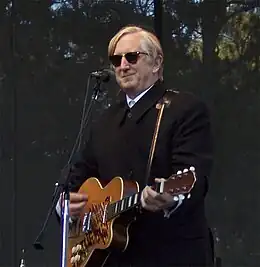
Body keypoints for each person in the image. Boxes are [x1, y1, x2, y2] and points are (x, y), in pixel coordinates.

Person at [57, 25, 214, 266]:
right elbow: (78, 174)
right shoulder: (104, 121)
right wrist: (66, 205)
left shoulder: (184, 109)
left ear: (156, 63)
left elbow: (194, 175)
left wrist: (170, 199)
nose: (123, 65)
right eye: (116, 59)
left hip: (170, 254)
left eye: (132, 56)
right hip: (114, 258)